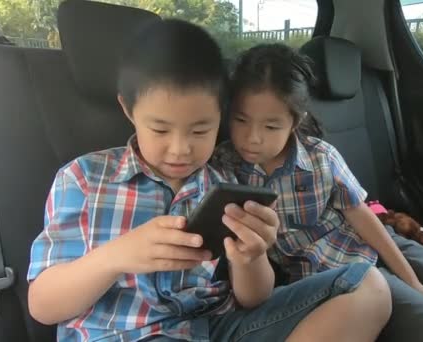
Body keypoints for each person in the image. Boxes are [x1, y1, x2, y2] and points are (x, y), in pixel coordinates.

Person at [26, 20, 391, 342]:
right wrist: (116, 257)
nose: (180, 149)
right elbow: (43, 306)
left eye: (201, 129)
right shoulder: (84, 179)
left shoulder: (225, 180)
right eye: (160, 128)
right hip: (126, 333)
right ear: (128, 109)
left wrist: (252, 256)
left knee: (367, 285)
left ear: (222, 114)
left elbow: (253, 299)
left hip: (218, 328)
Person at [214, 43, 423, 342]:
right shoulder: (224, 169)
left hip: (382, 241)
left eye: (271, 126)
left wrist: (413, 281)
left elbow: (360, 215)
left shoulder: (320, 156)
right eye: (241, 120)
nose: (252, 138)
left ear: (296, 122)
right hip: (342, 272)